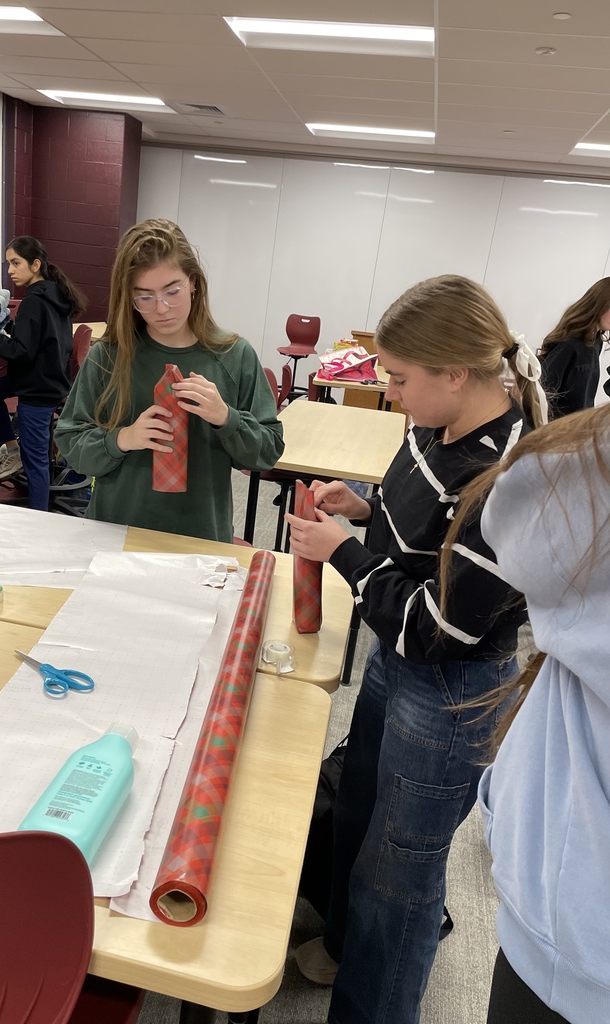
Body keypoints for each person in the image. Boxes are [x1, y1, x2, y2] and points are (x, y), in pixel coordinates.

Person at [284, 275, 548, 1024]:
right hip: (393, 663)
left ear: (456, 374)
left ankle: (374, 1001)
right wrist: (363, 510)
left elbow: (440, 629)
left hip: (447, 690)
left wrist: (345, 554)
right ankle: (342, 944)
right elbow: (423, 540)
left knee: (400, 877)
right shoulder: (439, 422)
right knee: (361, 814)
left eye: (399, 379)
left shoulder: (508, 481)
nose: (391, 392)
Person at [438, 403, 610, 1024]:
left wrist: (355, 565)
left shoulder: (563, 488)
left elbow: (517, 513)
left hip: (576, 946)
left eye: (401, 380)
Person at [54, 218, 283, 543]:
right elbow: (70, 443)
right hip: (116, 533)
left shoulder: (234, 356)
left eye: (172, 291)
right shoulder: (108, 356)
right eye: (144, 297)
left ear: (193, 282)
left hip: (200, 537)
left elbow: (268, 451)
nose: (162, 308)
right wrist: (122, 439)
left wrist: (226, 418)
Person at [0, 236, 87, 511]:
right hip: (50, 378)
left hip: (37, 390)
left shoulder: (34, 301)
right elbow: (36, 339)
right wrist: (11, 327)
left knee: (36, 465)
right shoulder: (54, 294)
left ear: (35, 265)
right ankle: (11, 449)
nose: (10, 270)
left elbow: (20, 352)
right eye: (8, 263)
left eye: (16, 263)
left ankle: (38, 521)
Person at [538, 278, 610, 418]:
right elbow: (542, 394)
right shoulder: (570, 343)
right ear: (599, 304)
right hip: (558, 430)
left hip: (578, 427)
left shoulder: (596, 341)